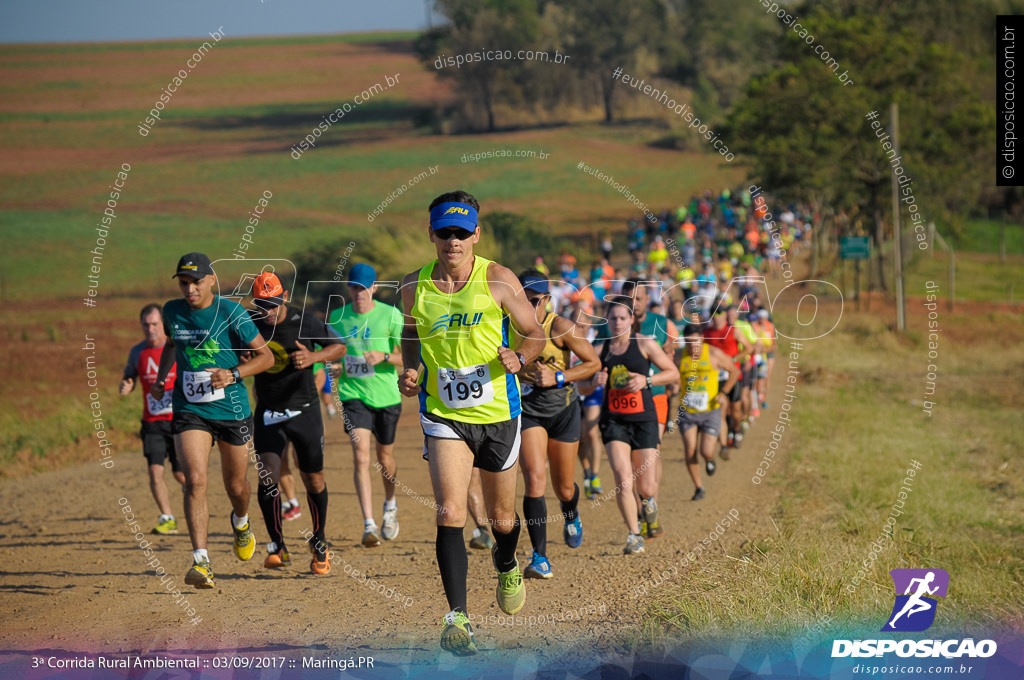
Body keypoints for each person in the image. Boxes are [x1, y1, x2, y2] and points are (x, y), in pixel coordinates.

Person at [398, 190, 545, 655]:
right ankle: (458, 618)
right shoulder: (412, 286)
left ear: (476, 235)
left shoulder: (499, 280)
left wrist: (519, 357)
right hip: (444, 414)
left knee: (503, 519)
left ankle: (507, 562)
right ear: (432, 234)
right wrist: (412, 367)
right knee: (450, 511)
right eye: (445, 232)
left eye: (462, 233)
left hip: (499, 413)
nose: (453, 241)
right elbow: (408, 332)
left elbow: (536, 333)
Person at [151, 252, 274, 589]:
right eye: (183, 283)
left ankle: (241, 520)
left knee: (236, 486)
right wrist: (163, 377)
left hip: (231, 410)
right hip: (189, 407)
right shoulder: (172, 311)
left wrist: (233, 374)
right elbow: (172, 345)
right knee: (196, 480)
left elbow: (266, 357)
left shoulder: (229, 312)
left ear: (211, 281)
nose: (189, 289)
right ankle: (201, 561)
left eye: (195, 282)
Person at [247, 272, 345, 574]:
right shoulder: (249, 324)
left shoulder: (306, 321)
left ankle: (319, 542)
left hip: (304, 410)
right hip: (268, 412)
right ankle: (277, 545)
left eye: (274, 304)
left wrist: (314, 357)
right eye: (263, 305)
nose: (270, 311)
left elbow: (338, 347)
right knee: (268, 478)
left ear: (285, 296)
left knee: (313, 479)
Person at [513, 271, 601, 578]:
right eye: (523, 300)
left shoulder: (561, 327)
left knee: (564, 487)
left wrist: (559, 376)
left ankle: (571, 513)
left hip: (563, 410)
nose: (529, 306)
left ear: (547, 301)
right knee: (534, 479)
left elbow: (593, 364)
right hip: (529, 410)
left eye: (535, 300)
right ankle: (539, 557)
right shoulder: (508, 328)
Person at [578, 295, 678, 554]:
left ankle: (649, 505)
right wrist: (594, 383)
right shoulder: (600, 351)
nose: (618, 322)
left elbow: (672, 372)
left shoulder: (645, 344)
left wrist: (646, 381)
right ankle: (634, 534)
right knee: (623, 480)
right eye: (613, 318)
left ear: (632, 320)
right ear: (607, 321)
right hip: (614, 422)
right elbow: (581, 385)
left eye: (623, 318)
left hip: (644, 419)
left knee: (645, 487)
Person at [328, 263, 405, 547]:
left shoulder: (391, 315)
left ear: (374, 288)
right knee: (360, 453)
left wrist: (384, 357)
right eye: (353, 287)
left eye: (363, 288)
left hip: (387, 396)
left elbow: (407, 358)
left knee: (385, 459)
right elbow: (329, 355)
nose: (358, 293)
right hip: (352, 394)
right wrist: (334, 367)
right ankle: (369, 524)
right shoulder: (337, 318)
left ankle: (390, 505)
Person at [120, 303, 186, 535]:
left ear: (163, 325)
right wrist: (127, 383)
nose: (151, 330)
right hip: (152, 423)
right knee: (155, 471)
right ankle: (167, 517)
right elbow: (129, 374)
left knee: (181, 474)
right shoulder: (137, 351)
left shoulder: (177, 348)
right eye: (146, 325)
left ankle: (195, 498)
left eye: (155, 324)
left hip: (179, 420)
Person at [677, 324, 739, 500]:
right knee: (690, 451)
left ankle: (710, 460)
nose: (691, 346)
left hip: (710, 410)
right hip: (687, 411)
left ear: (701, 339)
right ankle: (699, 487)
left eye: (695, 341)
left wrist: (724, 393)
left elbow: (734, 371)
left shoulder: (712, 353)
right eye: (688, 342)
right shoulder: (679, 356)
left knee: (706, 451)